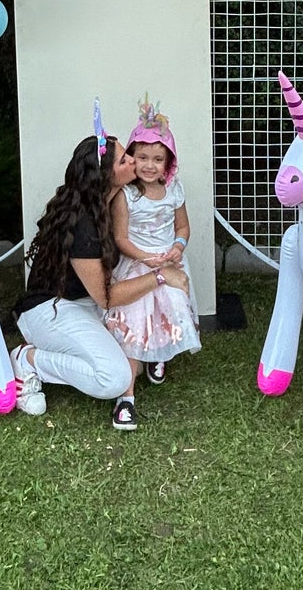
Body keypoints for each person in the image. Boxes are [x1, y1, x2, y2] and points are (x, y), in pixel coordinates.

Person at [13, 110, 189, 432]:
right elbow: (107, 298)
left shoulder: (110, 203)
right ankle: (28, 360)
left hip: (84, 305)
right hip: (51, 309)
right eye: (125, 161)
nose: (134, 163)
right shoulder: (83, 225)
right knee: (115, 379)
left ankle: (60, 353)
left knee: (131, 363)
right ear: (105, 175)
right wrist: (162, 276)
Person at [105, 96, 200, 387]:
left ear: (168, 162)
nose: (149, 166)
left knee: (169, 308)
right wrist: (145, 257)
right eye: (143, 158)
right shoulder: (128, 195)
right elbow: (120, 237)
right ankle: (138, 354)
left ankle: (160, 352)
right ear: (133, 157)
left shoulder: (173, 190)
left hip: (168, 258)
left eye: (158, 160)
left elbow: (182, 225)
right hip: (138, 260)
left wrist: (178, 246)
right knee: (140, 313)